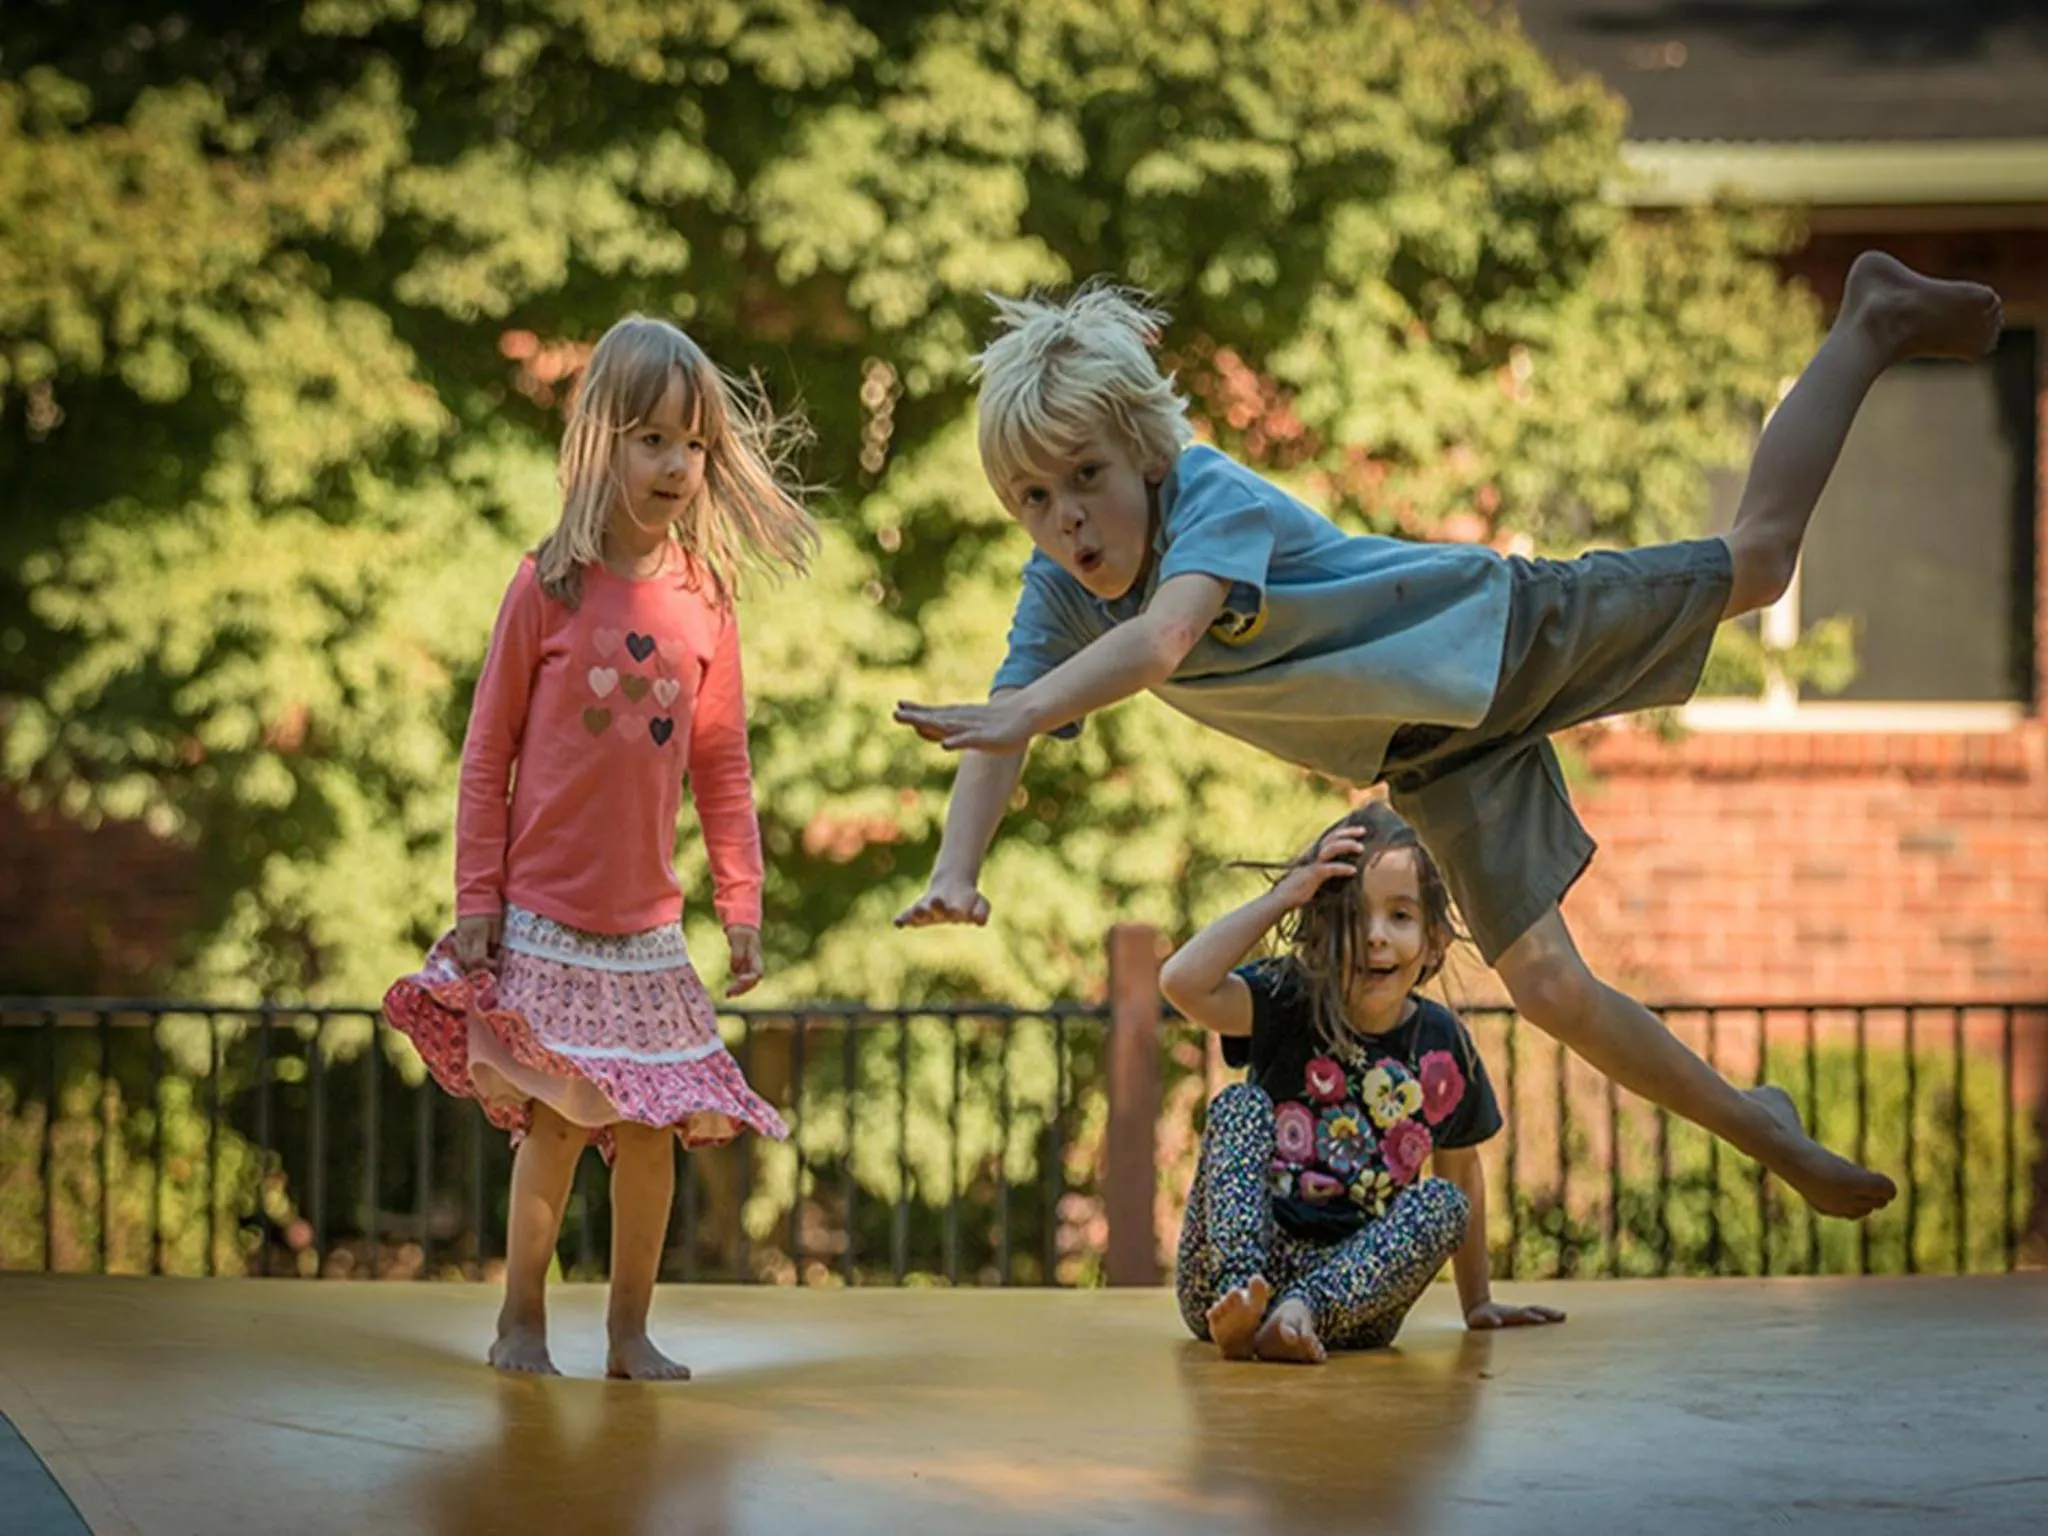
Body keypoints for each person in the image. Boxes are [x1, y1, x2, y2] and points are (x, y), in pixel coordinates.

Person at [895, 254, 2004, 1220]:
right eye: (1034, 500)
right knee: (1551, 994)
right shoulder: (1060, 594)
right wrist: (957, 865)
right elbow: (999, 734)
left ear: (1141, 453)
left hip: (1495, 634)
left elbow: (1163, 643)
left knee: (1758, 566)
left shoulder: (1205, 499)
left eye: (1083, 478)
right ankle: (1770, 1133)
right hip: (1431, 753)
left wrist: (1027, 708)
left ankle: (1867, 317)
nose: (1066, 521)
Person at [384, 314, 816, 1379]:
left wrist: (742, 903)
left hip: (647, 933)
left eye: (694, 444)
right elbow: (486, 756)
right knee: (562, 1128)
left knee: (656, 1135)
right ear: (601, 444)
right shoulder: (549, 587)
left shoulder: (705, 602)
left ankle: (629, 1333)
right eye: (652, 440)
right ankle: (519, 1321)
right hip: (544, 919)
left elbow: (722, 768)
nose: (677, 465)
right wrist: (475, 897)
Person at [1163, 802, 1563, 1362]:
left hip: (1352, 1302)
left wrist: (1478, 1303)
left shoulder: (1443, 1047)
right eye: (1353, 917)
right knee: (1240, 1104)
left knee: (1445, 1202)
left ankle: (1299, 1315)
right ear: (1321, 929)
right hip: (1232, 1279)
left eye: (1400, 916)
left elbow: (1462, 1172)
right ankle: (1243, 1301)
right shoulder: (1285, 998)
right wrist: (1282, 896)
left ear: (1435, 940)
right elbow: (1182, 983)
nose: (1375, 937)